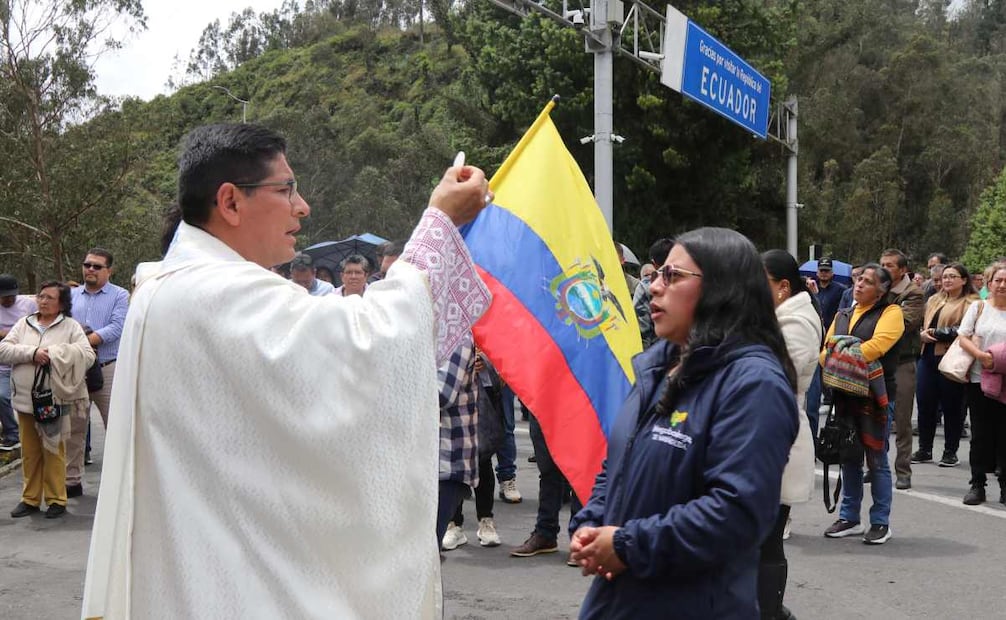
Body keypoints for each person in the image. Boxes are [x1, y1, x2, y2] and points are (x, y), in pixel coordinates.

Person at [81, 123, 492, 619]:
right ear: (230, 202)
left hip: (207, 567)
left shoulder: (165, 285)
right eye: (288, 189)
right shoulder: (213, 292)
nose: (303, 207)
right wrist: (439, 222)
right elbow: (368, 345)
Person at [568, 228, 799, 618]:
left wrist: (626, 545)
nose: (654, 287)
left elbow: (736, 513)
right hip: (622, 601)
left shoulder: (753, 383)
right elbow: (619, 465)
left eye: (672, 276)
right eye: (656, 274)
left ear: (721, 289)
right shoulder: (658, 366)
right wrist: (591, 524)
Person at [822, 264, 904, 544]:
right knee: (849, 457)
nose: (859, 284)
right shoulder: (843, 314)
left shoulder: (891, 313)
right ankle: (850, 517)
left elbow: (877, 347)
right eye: (859, 279)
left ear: (881, 291)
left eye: (868, 282)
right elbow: (824, 352)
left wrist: (840, 351)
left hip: (876, 397)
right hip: (845, 397)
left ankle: (880, 522)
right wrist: (841, 352)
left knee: (877, 460)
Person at [0, 281, 94, 519]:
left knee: (54, 449)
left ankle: (56, 499)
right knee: (30, 452)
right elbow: (4, 350)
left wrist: (56, 354)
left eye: (50, 298)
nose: (43, 301)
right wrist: (32, 353)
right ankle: (30, 499)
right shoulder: (24, 324)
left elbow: (87, 355)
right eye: (41, 297)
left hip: (54, 400)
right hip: (25, 401)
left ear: (62, 303)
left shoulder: (70, 327)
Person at [760, 250, 819, 620]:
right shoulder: (776, 316)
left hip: (776, 438)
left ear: (783, 287)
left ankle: (769, 612)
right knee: (754, 538)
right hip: (761, 437)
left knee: (766, 539)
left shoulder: (798, 322)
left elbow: (776, 376)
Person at [70, 248, 130, 489]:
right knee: (73, 428)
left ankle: (120, 484)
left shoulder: (120, 295)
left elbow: (117, 328)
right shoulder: (71, 295)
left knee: (115, 427)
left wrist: (81, 341)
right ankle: (70, 481)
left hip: (107, 368)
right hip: (75, 370)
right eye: (87, 265)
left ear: (109, 271)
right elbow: (62, 324)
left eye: (96, 266)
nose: (90, 270)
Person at [913, 263, 979, 468]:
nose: (947, 280)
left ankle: (950, 451)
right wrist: (921, 335)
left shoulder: (972, 302)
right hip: (927, 356)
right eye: (945, 276)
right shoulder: (934, 298)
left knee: (952, 405)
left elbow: (966, 329)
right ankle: (925, 448)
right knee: (925, 403)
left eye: (953, 276)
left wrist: (935, 334)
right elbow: (921, 322)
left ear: (964, 279)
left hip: (952, 356)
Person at [442, 350, 505, 549]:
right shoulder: (448, 325)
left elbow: (502, 370)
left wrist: (484, 363)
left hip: (480, 404)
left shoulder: (486, 324)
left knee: (483, 460)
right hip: (451, 408)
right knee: (453, 464)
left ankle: (486, 520)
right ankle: (453, 524)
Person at [956, 263, 1006, 505]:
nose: (1002, 285)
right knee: (980, 435)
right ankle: (977, 485)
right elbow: (963, 336)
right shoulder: (978, 307)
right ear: (989, 284)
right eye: (998, 280)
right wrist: (980, 355)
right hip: (979, 380)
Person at [879, 248, 924, 490]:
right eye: (882, 264)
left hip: (902, 362)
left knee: (902, 419)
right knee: (875, 417)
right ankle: (876, 466)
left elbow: (903, 324)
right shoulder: (877, 289)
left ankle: (903, 470)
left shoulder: (913, 293)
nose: (884, 269)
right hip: (878, 361)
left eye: (889, 265)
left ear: (902, 269)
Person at [0, 275, 36, 451]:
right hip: (4, 364)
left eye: (12, 295)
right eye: (5, 296)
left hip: (26, 359)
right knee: (2, 396)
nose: (9, 299)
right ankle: (12, 434)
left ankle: (37, 433)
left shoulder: (28, 304)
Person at [633, 238, 673, 349]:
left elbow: (641, 327)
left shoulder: (645, 286)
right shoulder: (690, 282)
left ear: (653, 263)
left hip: (657, 352)